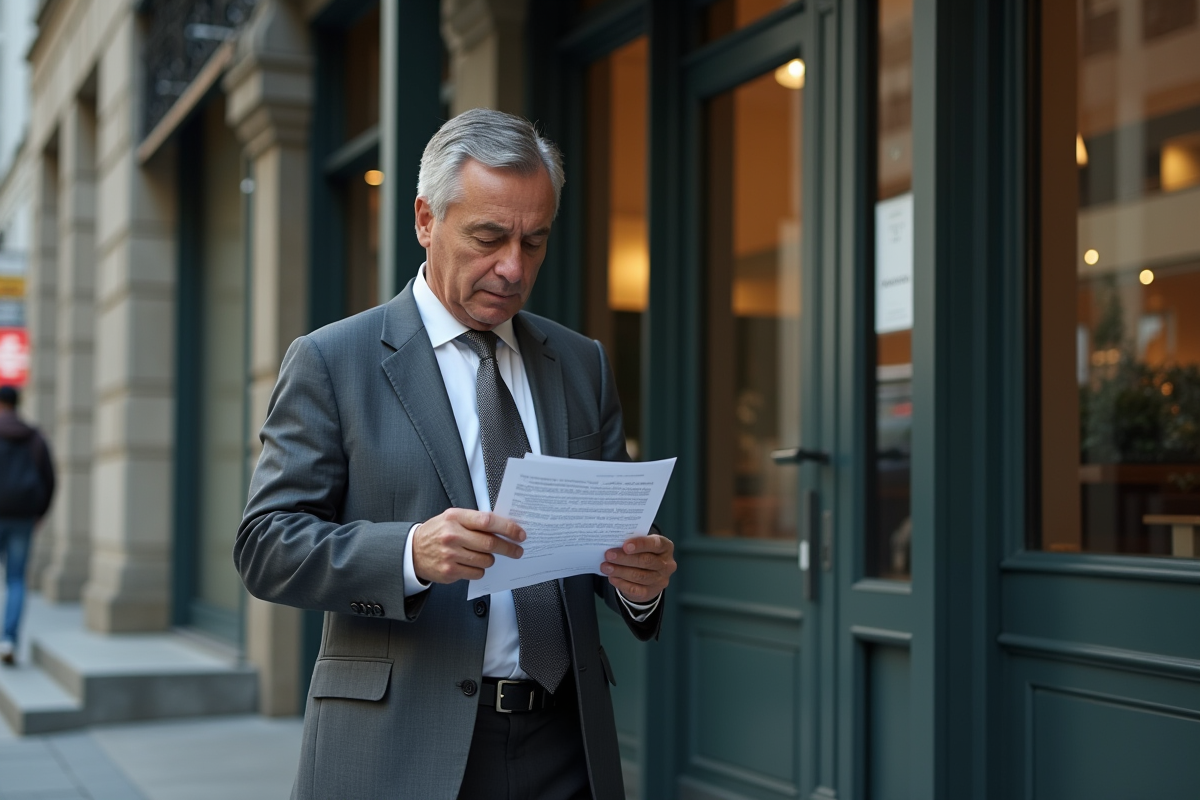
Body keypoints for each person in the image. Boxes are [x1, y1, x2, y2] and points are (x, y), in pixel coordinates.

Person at [236, 108, 676, 800]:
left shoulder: (580, 363)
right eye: (489, 237)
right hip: (400, 746)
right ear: (424, 219)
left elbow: (602, 541)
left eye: (534, 242)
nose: (512, 267)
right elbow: (265, 545)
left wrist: (636, 584)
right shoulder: (332, 360)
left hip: (565, 742)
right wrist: (409, 554)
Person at [0, 385, 55, 666]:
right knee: (16, 580)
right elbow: (49, 479)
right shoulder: (34, 437)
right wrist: (39, 513)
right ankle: (8, 639)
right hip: (23, 516)